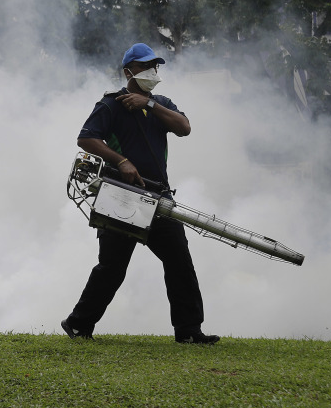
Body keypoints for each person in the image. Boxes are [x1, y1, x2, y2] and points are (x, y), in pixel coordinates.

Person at [61, 43, 219, 344]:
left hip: (159, 197)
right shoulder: (110, 105)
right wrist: (120, 161)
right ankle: (78, 324)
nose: (152, 72)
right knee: (112, 267)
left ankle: (188, 331)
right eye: (145, 66)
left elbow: (184, 127)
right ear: (128, 71)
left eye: (155, 67)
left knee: (179, 261)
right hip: (120, 195)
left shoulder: (161, 103)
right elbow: (86, 138)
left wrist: (149, 105)